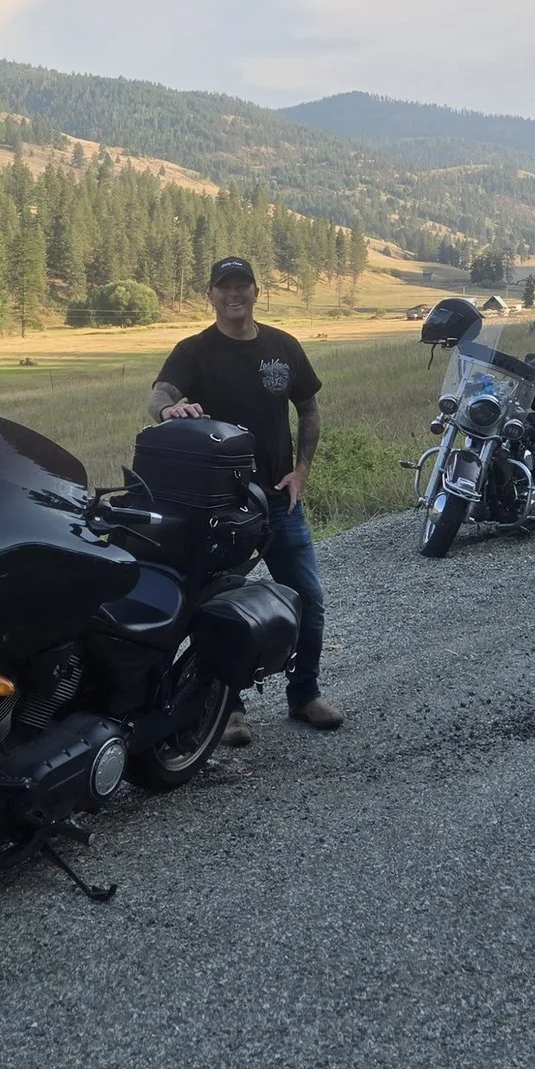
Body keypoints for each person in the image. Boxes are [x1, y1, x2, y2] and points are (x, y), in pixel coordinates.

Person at [148, 255, 341, 742]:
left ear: (257, 291)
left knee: (309, 599)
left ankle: (305, 696)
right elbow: (160, 394)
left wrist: (302, 470)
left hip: (278, 500)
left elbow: (309, 408)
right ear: (210, 295)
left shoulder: (283, 347)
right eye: (224, 287)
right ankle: (227, 710)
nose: (234, 294)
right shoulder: (194, 351)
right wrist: (171, 407)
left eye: (242, 285)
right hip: (220, 508)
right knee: (221, 605)